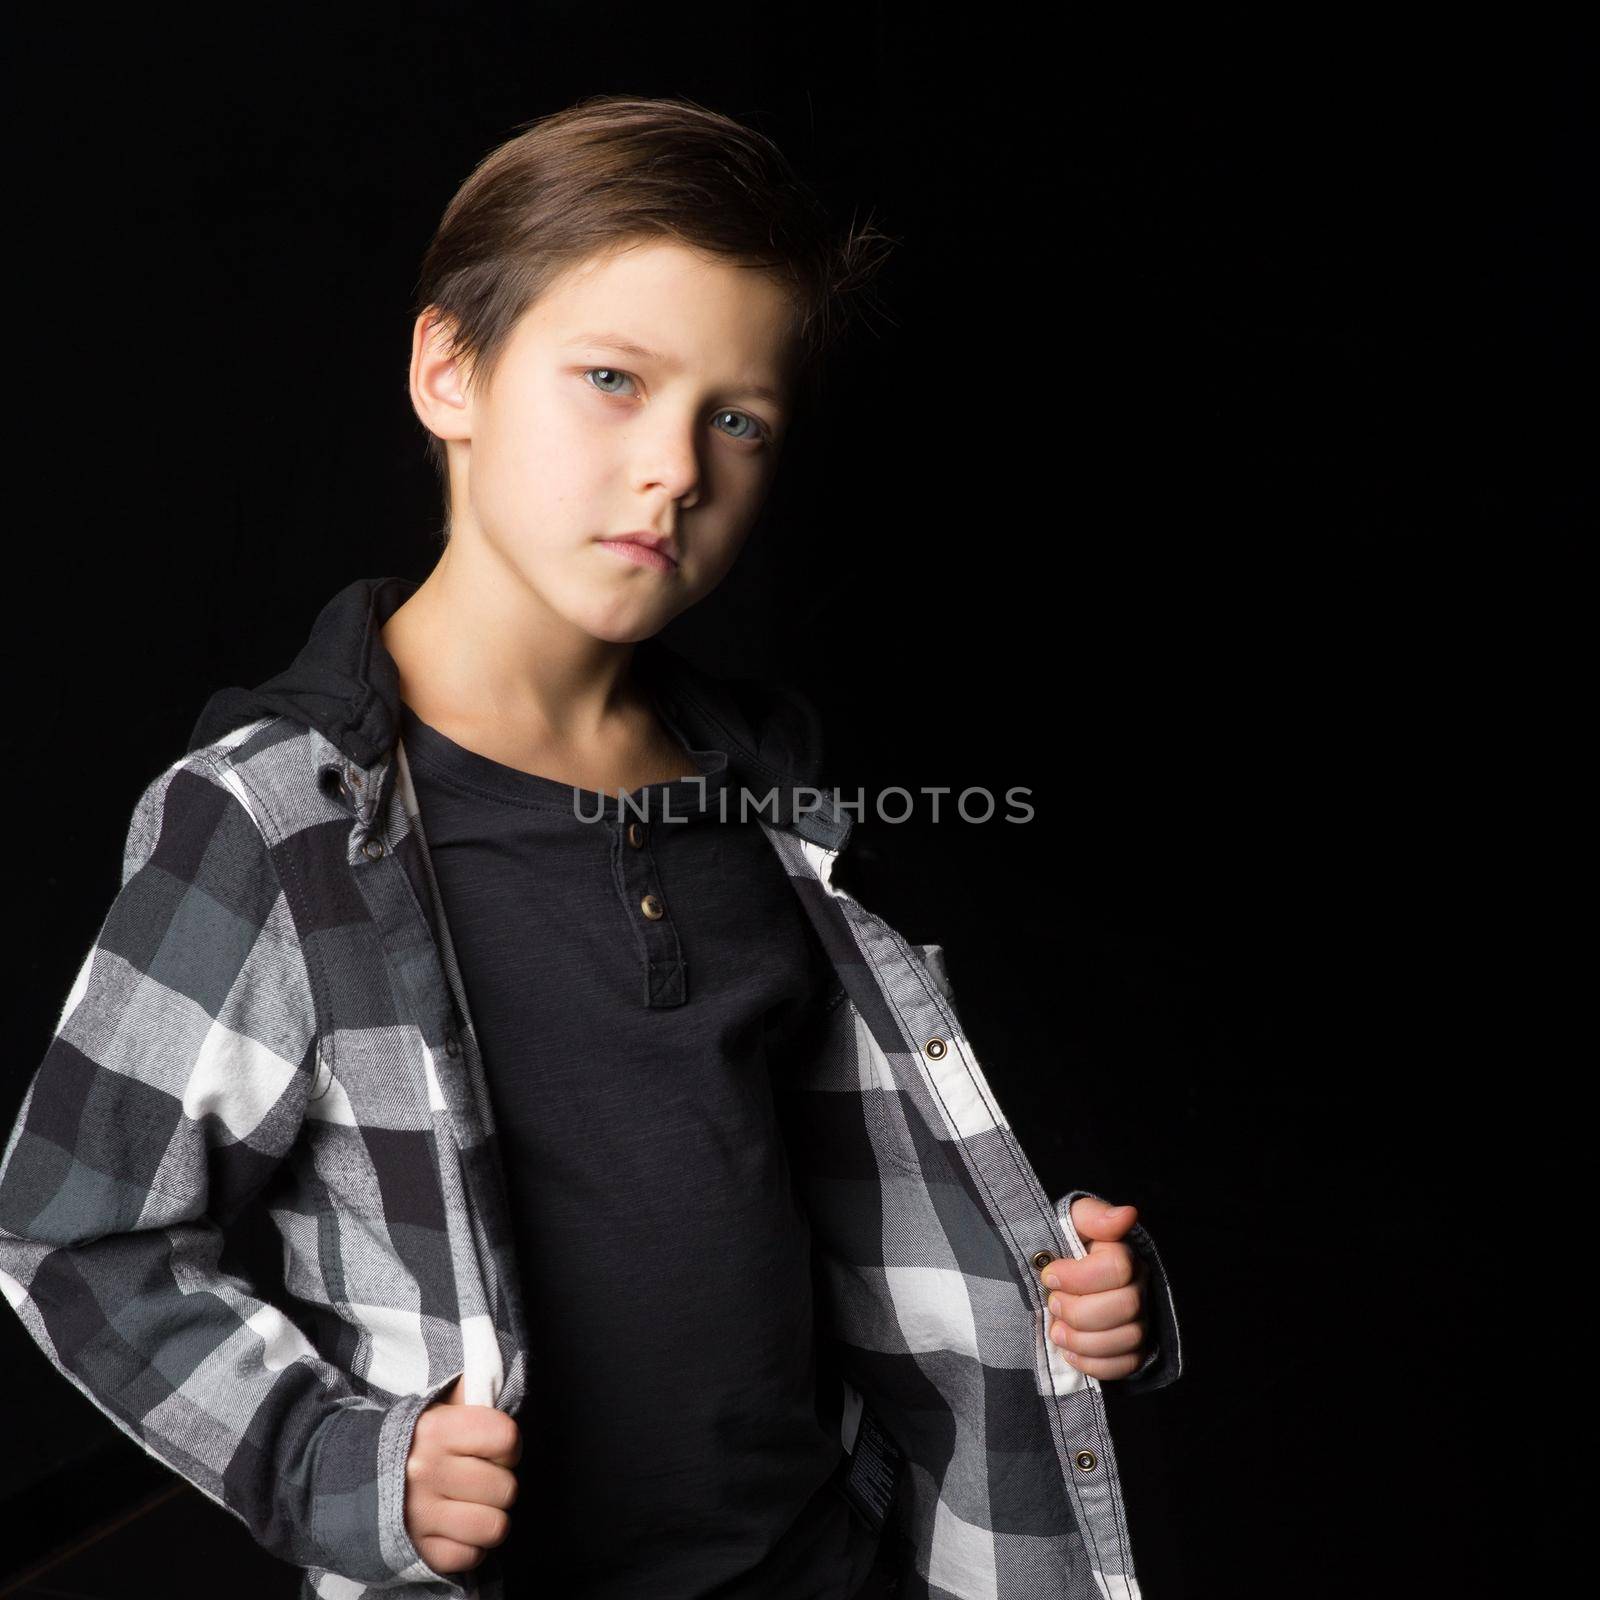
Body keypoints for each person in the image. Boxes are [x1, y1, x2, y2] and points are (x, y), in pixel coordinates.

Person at [0, 95, 1182, 1600]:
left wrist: (1057, 1283)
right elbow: (69, 1237)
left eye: (738, 419)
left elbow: (849, 1180)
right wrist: (336, 1462)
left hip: (826, 1561)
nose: (677, 468)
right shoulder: (279, 826)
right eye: (613, 380)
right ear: (452, 371)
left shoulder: (771, 793)